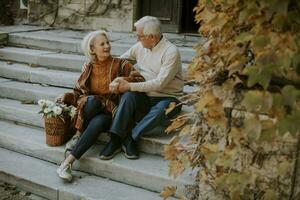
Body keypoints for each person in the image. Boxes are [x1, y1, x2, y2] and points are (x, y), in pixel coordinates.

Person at [56, 30, 144, 181]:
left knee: (98, 120)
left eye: (108, 42)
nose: (107, 46)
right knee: (93, 103)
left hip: (115, 113)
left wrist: (123, 80)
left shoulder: (120, 64)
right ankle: (67, 162)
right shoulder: (88, 67)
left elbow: (140, 80)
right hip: (96, 110)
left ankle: (67, 161)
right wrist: (66, 97)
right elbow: (79, 92)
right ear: (92, 49)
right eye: (102, 44)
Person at [99, 16, 184, 160]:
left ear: (152, 37)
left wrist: (129, 86)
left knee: (162, 108)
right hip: (145, 96)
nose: (137, 39)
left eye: (140, 36)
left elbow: (160, 84)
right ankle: (115, 139)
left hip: (168, 97)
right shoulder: (140, 47)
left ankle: (131, 137)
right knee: (128, 96)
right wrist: (100, 65)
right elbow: (120, 62)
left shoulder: (171, 52)